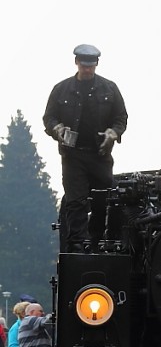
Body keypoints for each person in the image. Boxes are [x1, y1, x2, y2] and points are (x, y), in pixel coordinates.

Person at [43, 44, 127, 251]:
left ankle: (105, 240)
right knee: (76, 201)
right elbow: (49, 117)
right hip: (73, 157)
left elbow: (121, 117)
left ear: (96, 65)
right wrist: (58, 129)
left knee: (108, 198)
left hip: (100, 155)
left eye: (91, 66)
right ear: (77, 63)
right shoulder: (61, 89)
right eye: (84, 65)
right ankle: (78, 245)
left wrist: (113, 133)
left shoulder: (110, 88)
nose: (87, 69)